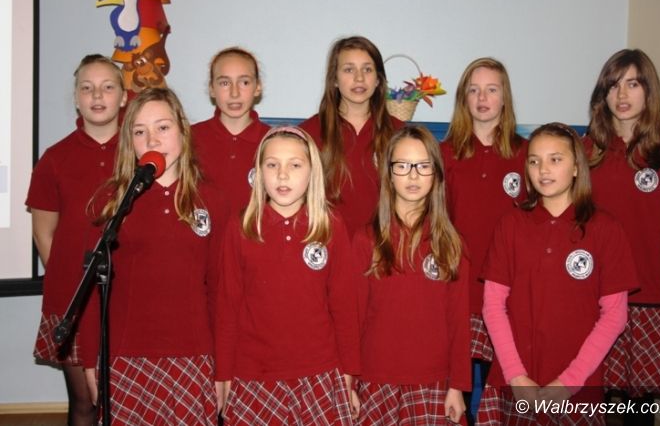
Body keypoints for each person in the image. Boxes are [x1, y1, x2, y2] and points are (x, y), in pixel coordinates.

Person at [82, 87, 229, 425]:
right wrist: (91, 360)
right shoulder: (111, 201)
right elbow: (91, 291)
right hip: (125, 355)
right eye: (140, 132)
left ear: (182, 130)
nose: (152, 140)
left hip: (194, 355)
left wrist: (223, 366)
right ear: (129, 141)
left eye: (163, 127)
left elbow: (222, 291)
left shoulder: (211, 199)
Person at [477, 123, 638, 425]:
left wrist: (569, 381)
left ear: (576, 167)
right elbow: (493, 306)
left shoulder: (605, 228)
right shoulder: (510, 225)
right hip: (515, 382)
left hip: (578, 385)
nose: (543, 170)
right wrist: (515, 375)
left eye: (555, 159)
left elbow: (615, 315)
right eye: (534, 161)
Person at [215, 125, 360, 425]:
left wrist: (349, 373)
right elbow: (228, 306)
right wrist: (224, 373)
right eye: (272, 165)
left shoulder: (330, 226)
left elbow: (345, 305)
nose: (282, 175)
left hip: (320, 372)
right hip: (254, 374)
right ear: (258, 172)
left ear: (312, 172)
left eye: (295, 165)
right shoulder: (241, 227)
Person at [586, 49, 660, 425]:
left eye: (633, 84)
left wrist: (657, 279)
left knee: (639, 409)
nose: (622, 94)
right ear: (602, 94)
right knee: (591, 400)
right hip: (592, 296)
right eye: (614, 85)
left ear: (649, 91)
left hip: (646, 299)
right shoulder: (586, 152)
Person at [25, 54, 126, 426]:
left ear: (123, 97)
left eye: (107, 87)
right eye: (87, 88)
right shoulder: (55, 159)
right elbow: (43, 233)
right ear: (76, 97)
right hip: (76, 299)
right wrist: (75, 288)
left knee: (127, 403)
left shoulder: (140, 156)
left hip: (129, 296)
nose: (97, 96)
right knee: (85, 404)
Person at [353, 125, 471, 425]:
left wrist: (458, 386)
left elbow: (459, 321)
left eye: (423, 166)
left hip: (434, 383)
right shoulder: (366, 240)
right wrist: (349, 381)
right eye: (403, 166)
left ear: (436, 174)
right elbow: (353, 318)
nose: (413, 175)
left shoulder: (451, 244)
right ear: (389, 174)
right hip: (375, 381)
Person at [440, 57, 527, 424]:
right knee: (457, 388)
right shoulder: (446, 154)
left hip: (509, 292)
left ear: (505, 97)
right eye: (474, 90)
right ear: (463, 98)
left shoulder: (526, 154)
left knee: (501, 388)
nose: (482, 98)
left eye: (492, 89)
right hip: (460, 288)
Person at [300, 35, 403, 238]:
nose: (359, 78)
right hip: (326, 244)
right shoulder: (308, 133)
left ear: (378, 80)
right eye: (349, 69)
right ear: (334, 79)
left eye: (367, 69)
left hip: (383, 246)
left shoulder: (399, 133)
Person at [192, 47, 269, 216]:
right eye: (224, 83)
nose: (234, 93)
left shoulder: (274, 141)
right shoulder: (189, 139)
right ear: (212, 89)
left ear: (258, 87)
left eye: (244, 82)